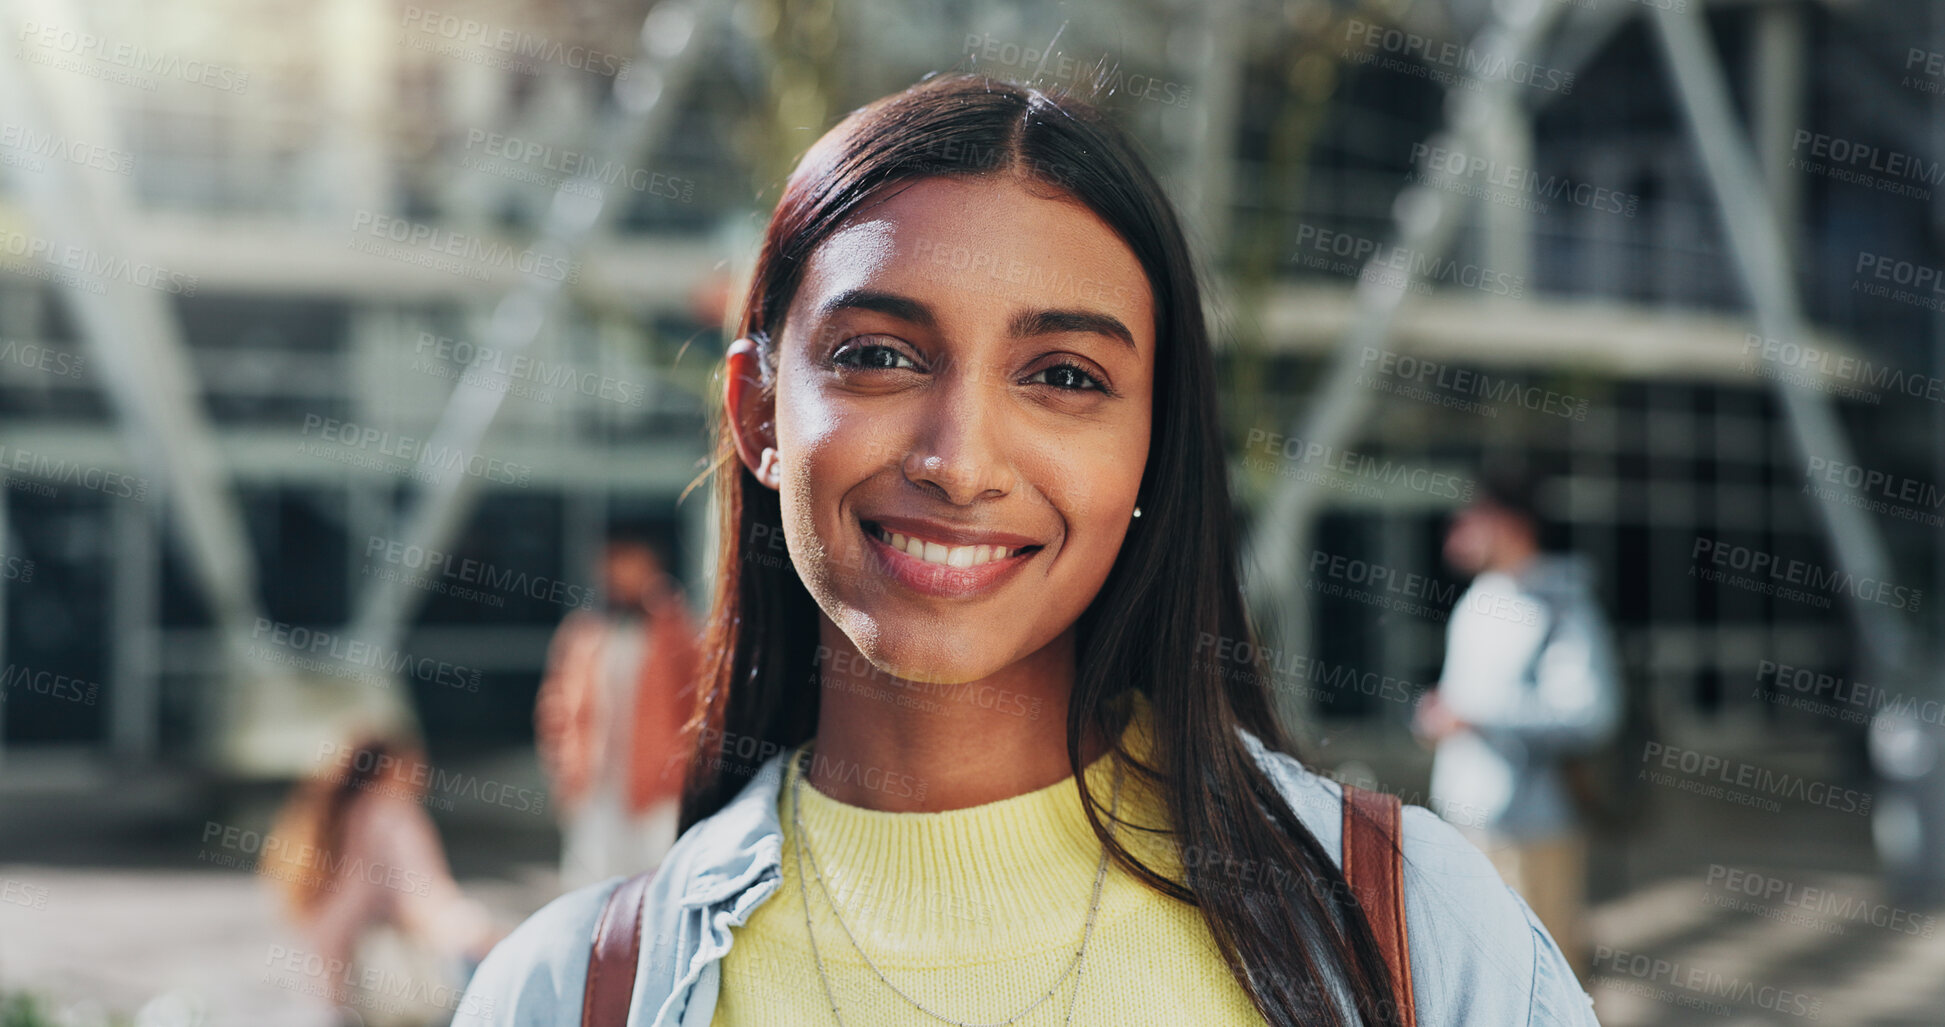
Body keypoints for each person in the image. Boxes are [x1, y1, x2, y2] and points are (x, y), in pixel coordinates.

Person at [456, 73, 1601, 1026]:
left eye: (1065, 377)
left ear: (1155, 449)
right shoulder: (566, 992)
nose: (962, 462)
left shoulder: (1408, 923)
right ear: (757, 414)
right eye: (880, 356)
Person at [1413, 465, 1622, 984]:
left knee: (1542, 979)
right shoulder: (1478, 599)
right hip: (1468, 826)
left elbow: (1590, 712)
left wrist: (1476, 715)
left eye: (1468, 520)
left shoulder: (1559, 602)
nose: (1455, 535)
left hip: (1534, 830)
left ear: (1508, 523)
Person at [260, 735, 502, 1027]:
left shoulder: (319, 824)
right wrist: (489, 938)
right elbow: (427, 899)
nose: (421, 776)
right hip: (379, 999)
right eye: (413, 765)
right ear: (389, 769)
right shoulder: (389, 815)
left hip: (323, 999)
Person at [534, 532, 701, 890]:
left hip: (655, 787)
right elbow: (556, 707)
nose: (617, 576)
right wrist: (562, 767)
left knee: (655, 884)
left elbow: (701, 701)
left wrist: (683, 769)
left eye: (628, 565)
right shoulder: (584, 631)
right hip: (596, 783)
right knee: (591, 885)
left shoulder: (675, 630)